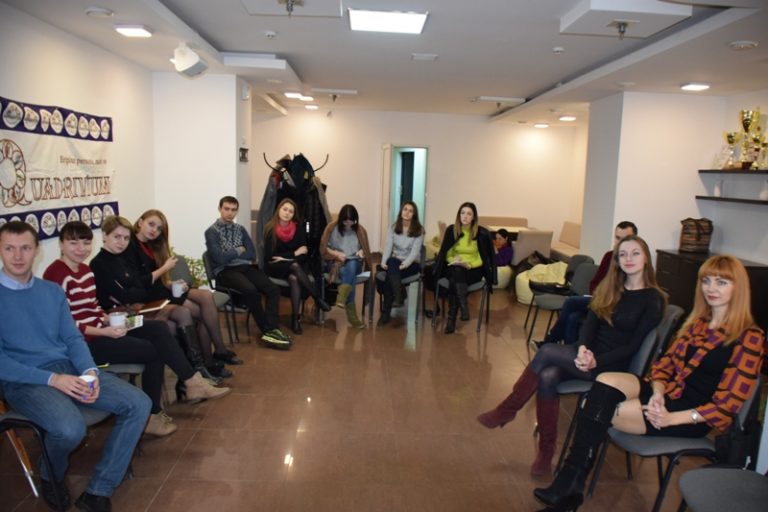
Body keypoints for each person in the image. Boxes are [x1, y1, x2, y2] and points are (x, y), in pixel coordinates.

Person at [534, 255, 765, 511]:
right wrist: (657, 393)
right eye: (707, 281)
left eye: (722, 282)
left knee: (597, 406)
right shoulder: (697, 324)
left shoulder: (750, 337)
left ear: (738, 288)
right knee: (604, 381)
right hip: (666, 395)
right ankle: (570, 486)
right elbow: (663, 366)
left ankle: (569, 488)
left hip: (691, 415)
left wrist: (670, 418)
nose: (711, 288)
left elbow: (726, 405)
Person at [477, 235, 665, 476]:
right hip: (587, 354)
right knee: (547, 376)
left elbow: (633, 347)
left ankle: (508, 409)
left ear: (646, 258)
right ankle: (546, 451)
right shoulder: (611, 287)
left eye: (635, 253)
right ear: (617, 260)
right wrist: (583, 347)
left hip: (613, 367)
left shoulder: (653, 299)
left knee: (546, 351)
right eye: (623, 254)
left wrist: (596, 361)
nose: (629, 258)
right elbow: (590, 324)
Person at [0, 221, 151, 512]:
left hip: (68, 368)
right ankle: (50, 472)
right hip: (24, 380)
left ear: (36, 251)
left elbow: (72, 338)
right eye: (9, 248)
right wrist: (53, 379)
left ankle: (99, 489)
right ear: (0, 251)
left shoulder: (51, 292)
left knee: (138, 404)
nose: (18, 256)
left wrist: (89, 371)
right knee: (70, 430)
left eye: (25, 248)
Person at [43, 221, 229, 429]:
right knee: (155, 350)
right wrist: (104, 331)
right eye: (73, 243)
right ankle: (153, 415)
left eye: (86, 243)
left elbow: (93, 307)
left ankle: (191, 381)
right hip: (84, 344)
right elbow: (64, 324)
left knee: (159, 329)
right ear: (61, 244)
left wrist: (109, 319)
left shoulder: (85, 270)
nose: (81, 249)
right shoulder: (56, 274)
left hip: (103, 328)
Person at [90, 215, 229, 382]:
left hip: (140, 303)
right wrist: (139, 288)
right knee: (178, 319)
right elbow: (129, 293)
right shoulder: (101, 263)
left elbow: (137, 287)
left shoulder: (121, 258)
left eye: (126, 238)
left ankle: (198, 370)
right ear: (105, 235)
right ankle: (194, 372)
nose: (122, 242)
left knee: (194, 308)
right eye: (117, 237)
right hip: (122, 315)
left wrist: (142, 288)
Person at [133, 209, 242, 367]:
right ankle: (210, 360)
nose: (154, 230)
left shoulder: (152, 245)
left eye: (159, 228)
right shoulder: (132, 247)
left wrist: (170, 283)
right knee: (204, 313)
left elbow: (157, 279)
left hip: (162, 290)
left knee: (206, 296)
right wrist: (165, 269)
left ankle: (217, 353)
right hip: (154, 297)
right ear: (140, 222)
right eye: (151, 224)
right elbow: (141, 282)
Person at [204, 196, 292, 349]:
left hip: (244, 268)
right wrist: (239, 250)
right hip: (224, 271)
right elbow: (219, 259)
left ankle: (272, 328)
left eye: (233, 210)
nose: (230, 213)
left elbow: (251, 254)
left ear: (237, 211)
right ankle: (267, 331)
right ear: (220, 209)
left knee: (273, 289)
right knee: (251, 291)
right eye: (226, 209)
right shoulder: (211, 232)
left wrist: (230, 254)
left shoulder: (240, 229)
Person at [535, 221, 638, 347]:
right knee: (573, 315)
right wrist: (599, 295)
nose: (619, 242)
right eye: (617, 238)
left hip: (618, 306)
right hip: (600, 299)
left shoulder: (635, 262)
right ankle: (566, 349)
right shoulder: (609, 256)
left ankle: (551, 341)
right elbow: (595, 282)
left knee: (572, 305)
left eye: (624, 239)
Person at [263, 198, 331, 334]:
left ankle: (295, 319)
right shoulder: (270, 228)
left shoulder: (298, 229)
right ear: (279, 210)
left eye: (291, 211)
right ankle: (317, 297)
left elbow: (304, 254)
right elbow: (271, 256)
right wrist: (294, 253)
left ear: (294, 214)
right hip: (275, 266)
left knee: (294, 278)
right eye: (285, 209)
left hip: (294, 266)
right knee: (294, 265)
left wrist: (286, 257)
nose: (287, 213)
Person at [432, 202, 495, 334]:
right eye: (462, 213)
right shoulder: (452, 230)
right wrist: (453, 260)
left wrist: (469, 264)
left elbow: (482, 258)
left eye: (469, 214)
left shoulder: (480, 233)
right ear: (458, 215)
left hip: (473, 270)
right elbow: (446, 253)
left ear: (474, 217)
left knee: (455, 279)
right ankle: (463, 306)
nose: (465, 216)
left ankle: (451, 319)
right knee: (457, 271)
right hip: (454, 266)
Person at [319, 204, 374, 329]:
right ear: (341, 219)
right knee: (350, 275)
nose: (348, 224)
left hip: (354, 262)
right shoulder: (331, 228)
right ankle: (352, 316)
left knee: (352, 265)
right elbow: (323, 248)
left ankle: (342, 297)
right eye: (345, 222)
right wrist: (336, 254)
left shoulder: (360, 230)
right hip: (335, 262)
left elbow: (365, 250)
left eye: (351, 221)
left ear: (355, 220)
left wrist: (361, 252)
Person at [377, 201, 424, 326]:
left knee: (390, 274)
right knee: (391, 262)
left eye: (410, 211)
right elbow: (388, 246)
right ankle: (398, 294)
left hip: (412, 264)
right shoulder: (393, 227)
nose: (407, 213)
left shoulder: (419, 230)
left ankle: (386, 312)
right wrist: (383, 261)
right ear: (401, 211)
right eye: (405, 209)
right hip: (396, 262)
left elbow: (414, 253)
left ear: (414, 214)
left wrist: (405, 264)